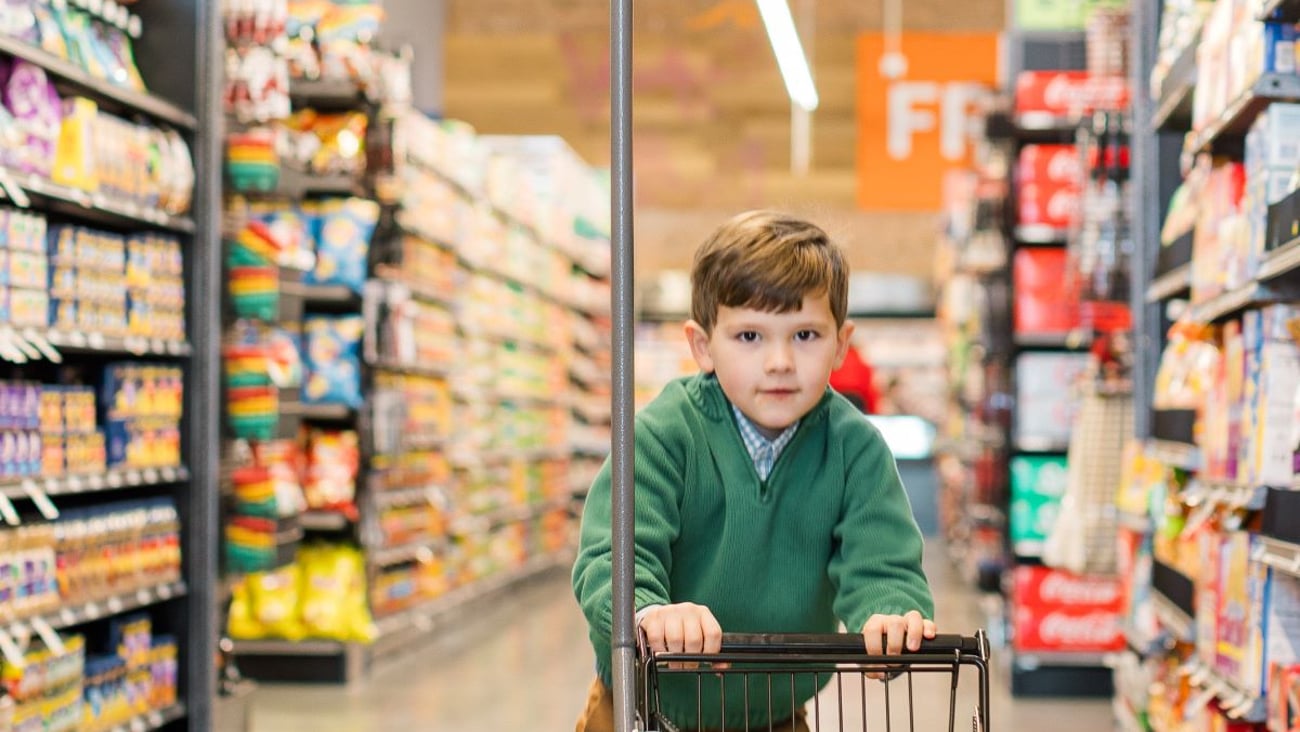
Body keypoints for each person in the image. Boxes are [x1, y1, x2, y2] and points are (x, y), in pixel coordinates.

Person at [571, 211, 935, 731]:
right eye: (749, 337)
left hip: (772, 714)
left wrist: (892, 614)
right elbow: (612, 555)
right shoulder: (664, 434)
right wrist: (648, 611)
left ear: (841, 343)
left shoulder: (855, 449)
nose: (780, 361)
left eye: (805, 334)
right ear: (702, 346)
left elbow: (881, 562)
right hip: (643, 707)